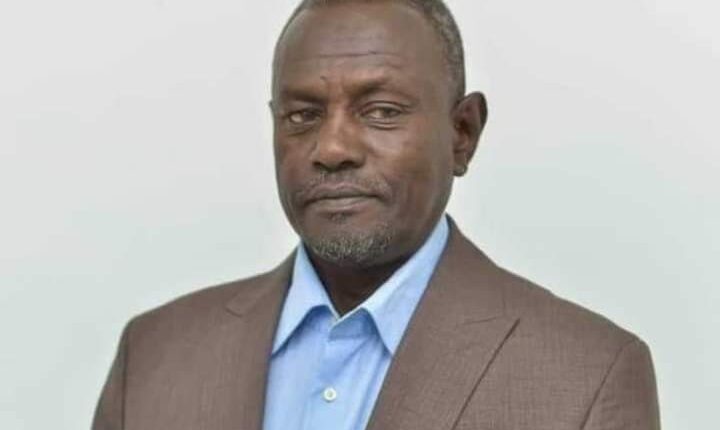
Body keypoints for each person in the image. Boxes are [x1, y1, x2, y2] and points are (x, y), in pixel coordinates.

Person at [92, 1, 661, 429]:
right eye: (302, 115)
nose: (331, 148)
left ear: (462, 134)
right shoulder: (154, 355)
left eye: (381, 111)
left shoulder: (588, 375)